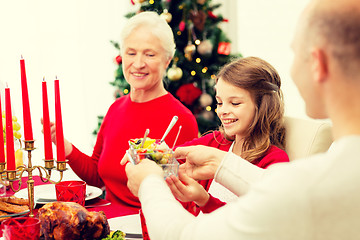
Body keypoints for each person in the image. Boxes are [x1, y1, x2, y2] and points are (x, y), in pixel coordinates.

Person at [122, 0, 360, 239]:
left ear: (318, 63)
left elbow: (187, 236)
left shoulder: (306, 185)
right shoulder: (324, 179)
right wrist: (219, 163)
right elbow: (271, 186)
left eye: (296, 53)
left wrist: (148, 182)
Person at [45, 11, 198, 215]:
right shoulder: (116, 108)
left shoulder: (182, 120)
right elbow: (97, 177)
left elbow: (186, 199)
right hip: (107, 227)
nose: (138, 63)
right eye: (131, 53)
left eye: (150, 54)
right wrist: (65, 147)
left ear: (167, 60)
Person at [167, 56, 289, 215]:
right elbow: (171, 156)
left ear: (262, 106)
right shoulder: (215, 141)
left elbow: (252, 223)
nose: (222, 111)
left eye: (235, 103)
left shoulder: (274, 162)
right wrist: (153, 152)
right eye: (219, 102)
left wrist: (204, 200)